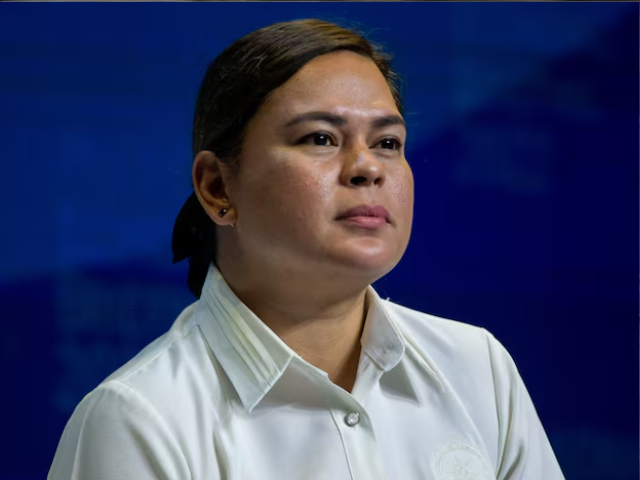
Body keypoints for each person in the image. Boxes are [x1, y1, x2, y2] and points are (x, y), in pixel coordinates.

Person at [48, 18, 565, 480]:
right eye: (320, 139)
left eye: (388, 142)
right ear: (216, 188)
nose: (368, 167)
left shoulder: (478, 369)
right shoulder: (141, 418)